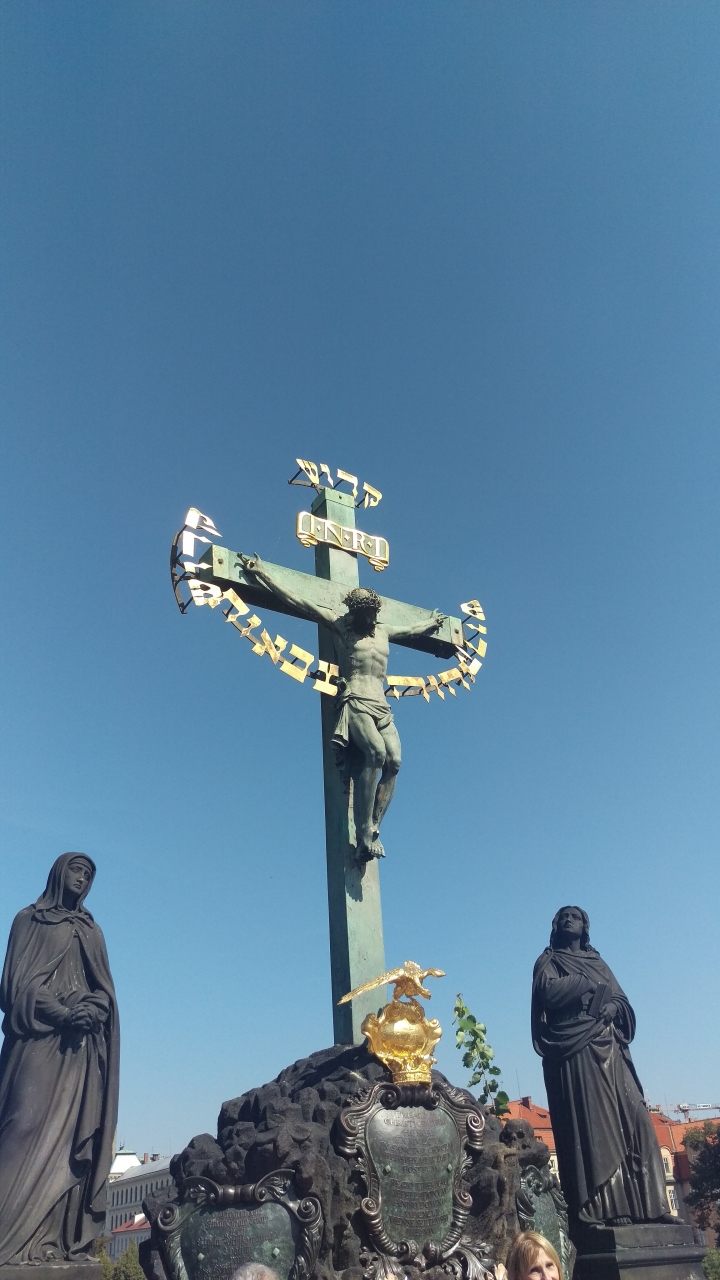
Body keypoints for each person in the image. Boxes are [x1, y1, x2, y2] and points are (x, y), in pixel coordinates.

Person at [241, 557, 445, 861]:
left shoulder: (383, 632)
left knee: (395, 762)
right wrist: (263, 575)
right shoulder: (341, 628)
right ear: (354, 612)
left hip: (382, 705)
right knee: (375, 754)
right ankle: (363, 832)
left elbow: (414, 629)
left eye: (374, 614)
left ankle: (374, 825)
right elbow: (299, 602)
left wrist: (431, 623)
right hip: (357, 702)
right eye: (366, 615)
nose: (371, 620)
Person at [0, 853, 119, 1264]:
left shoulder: (92, 931)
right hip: (37, 1042)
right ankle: (5, 1241)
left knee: (70, 1144)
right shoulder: (28, 920)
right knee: (20, 1126)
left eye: (89, 875)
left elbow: (104, 990)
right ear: (58, 873)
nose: (82, 879)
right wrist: (62, 1012)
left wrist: (94, 1009)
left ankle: (51, 1242)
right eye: (76, 870)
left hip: (79, 1052)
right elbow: (14, 987)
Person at [532, 906, 673, 1229]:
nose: (569, 920)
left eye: (576, 917)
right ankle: (607, 1207)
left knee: (638, 1119)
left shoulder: (598, 961)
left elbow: (621, 1000)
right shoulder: (549, 960)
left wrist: (612, 1006)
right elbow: (548, 993)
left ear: (585, 927)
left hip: (610, 1045)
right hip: (578, 1049)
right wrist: (583, 983)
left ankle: (652, 1205)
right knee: (598, 1126)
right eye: (563, 917)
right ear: (556, 926)